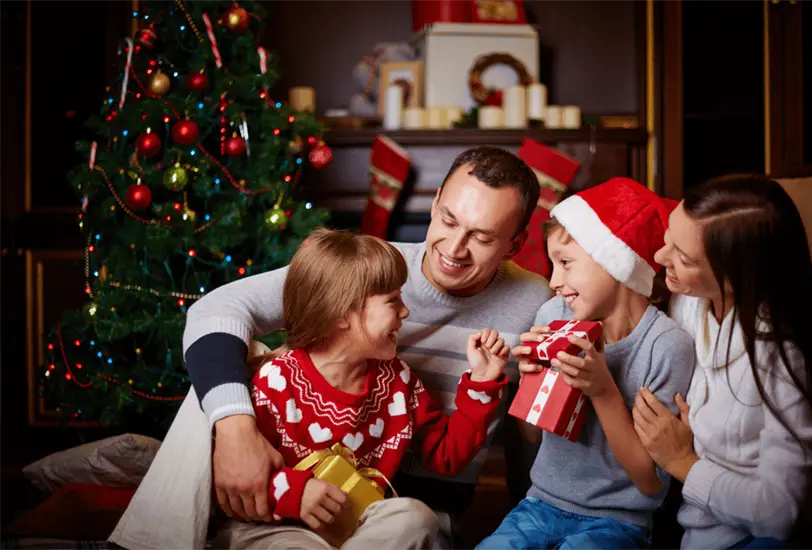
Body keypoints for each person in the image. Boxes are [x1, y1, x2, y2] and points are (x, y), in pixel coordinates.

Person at [109, 146, 552, 550]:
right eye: (449, 220)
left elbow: (531, 434)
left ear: (515, 244)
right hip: (288, 503)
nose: (455, 249)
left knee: (411, 524)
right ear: (435, 202)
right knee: (236, 360)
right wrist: (236, 429)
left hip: (400, 513)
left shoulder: (538, 302)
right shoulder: (368, 271)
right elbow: (216, 309)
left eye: (482, 237)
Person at [213, 229, 511, 549]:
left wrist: (481, 383)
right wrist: (297, 494)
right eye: (393, 301)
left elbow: (446, 457)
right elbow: (241, 479)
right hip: (278, 527)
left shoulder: (398, 382)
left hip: (359, 529)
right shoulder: (277, 381)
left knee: (417, 518)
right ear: (343, 314)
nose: (405, 312)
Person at [478, 177, 695, 549]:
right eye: (551, 264)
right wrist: (530, 381)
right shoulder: (554, 313)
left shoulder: (667, 347)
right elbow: (531, 435)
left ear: (617, 262)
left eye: (565, 263)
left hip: (617, 522)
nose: (554, 280)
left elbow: (650, 481)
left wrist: (602, 390)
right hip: (538, 504)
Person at [631, 174, 812, 550]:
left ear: (737, 277)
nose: (660, 256)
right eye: (669, 236)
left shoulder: (781, 359)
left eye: (683, 258)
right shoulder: (689, 303)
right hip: (691, 529)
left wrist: (682, 460)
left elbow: (778, 512)